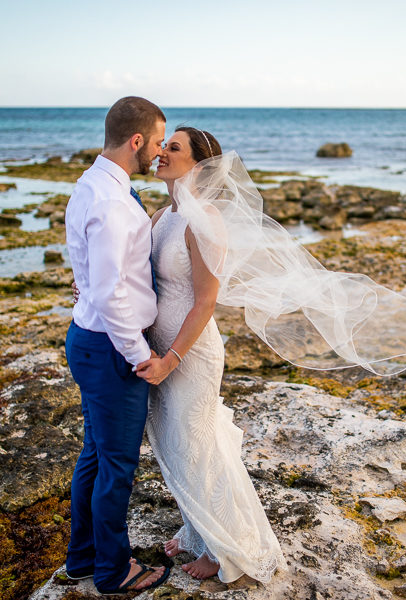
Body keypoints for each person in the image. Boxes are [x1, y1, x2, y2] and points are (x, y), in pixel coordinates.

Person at [135, 127, 287, 582]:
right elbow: (131, 269)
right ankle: (196, 529)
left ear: (198, 166)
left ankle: (228, 553)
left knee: (197, 447)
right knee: (179, 447)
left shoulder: (207, 223)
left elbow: (205, 302)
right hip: (162, 346)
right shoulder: (163, 216)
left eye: (172, 148)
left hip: (190, 354)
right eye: (163, 145)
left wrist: (170, 360)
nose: (160, 153)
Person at [63, 96, 170, 594]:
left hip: (89, 339)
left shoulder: (93, 185)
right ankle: (113, 571)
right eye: (156, 142)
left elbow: (93, 272)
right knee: (117, 468)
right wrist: (139, 356)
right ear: (136, 141)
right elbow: (109, 292)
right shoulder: (110, 201)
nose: (159, 151)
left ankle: (82, 559)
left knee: (95, 456)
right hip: (110, 349)